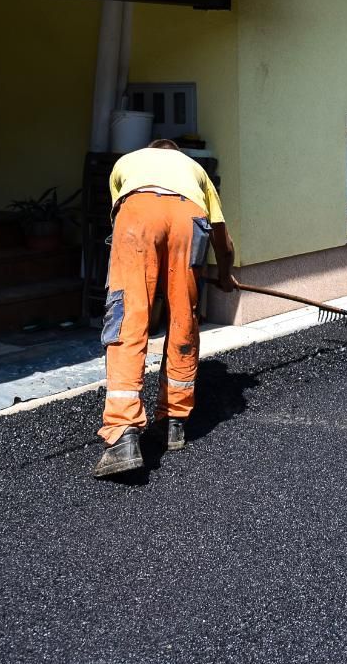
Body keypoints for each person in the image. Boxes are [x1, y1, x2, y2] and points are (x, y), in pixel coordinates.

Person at [94, 138, 236, 478]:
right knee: (184, 316)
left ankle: (123, 434)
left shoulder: (127, 162)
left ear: (152, 149)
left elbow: (121, 215)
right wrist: (227, 275)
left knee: (128, 316)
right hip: (189, 218)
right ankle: (174, 421)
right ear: (176, 154)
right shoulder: (196, 171)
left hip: (138, 213)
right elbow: (222, 238)